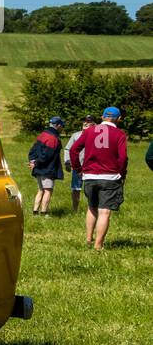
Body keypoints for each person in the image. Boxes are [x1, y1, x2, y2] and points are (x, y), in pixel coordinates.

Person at [69, 106, 128, 251]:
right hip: (110, 176)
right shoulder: (119, 134)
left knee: (91, 207)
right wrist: (122, 173)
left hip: (89, 176)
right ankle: (98, 245)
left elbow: (73, 150)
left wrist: (78, 169)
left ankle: (89, 239)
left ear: (102, 117)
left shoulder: (88, 131)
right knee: (105, 211)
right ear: (119, 119)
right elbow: (123, 157)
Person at [27, 116, 65, 216]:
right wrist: (36, 163)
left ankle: (35, 212)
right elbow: (47, 156)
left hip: (38, 169)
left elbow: (32, 151)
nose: (62, 128)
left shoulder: (42, 135)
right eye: (62, 126)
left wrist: (32, 162)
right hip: (47, 169)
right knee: (48, 191)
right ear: (58, 125)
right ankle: (44, 213)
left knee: (40, 190)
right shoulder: (53, 138)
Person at [62, 115, 97, 212]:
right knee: (76, 189)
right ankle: (75, 210)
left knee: (91, 190)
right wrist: (67, 161)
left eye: (88, 121)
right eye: (84, 121)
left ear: (94, 124)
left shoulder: (98, 136)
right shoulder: (76, 135)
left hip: (92, 168)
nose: (85, 123)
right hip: (77, 168)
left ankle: (91, 209)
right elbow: (68, 149)